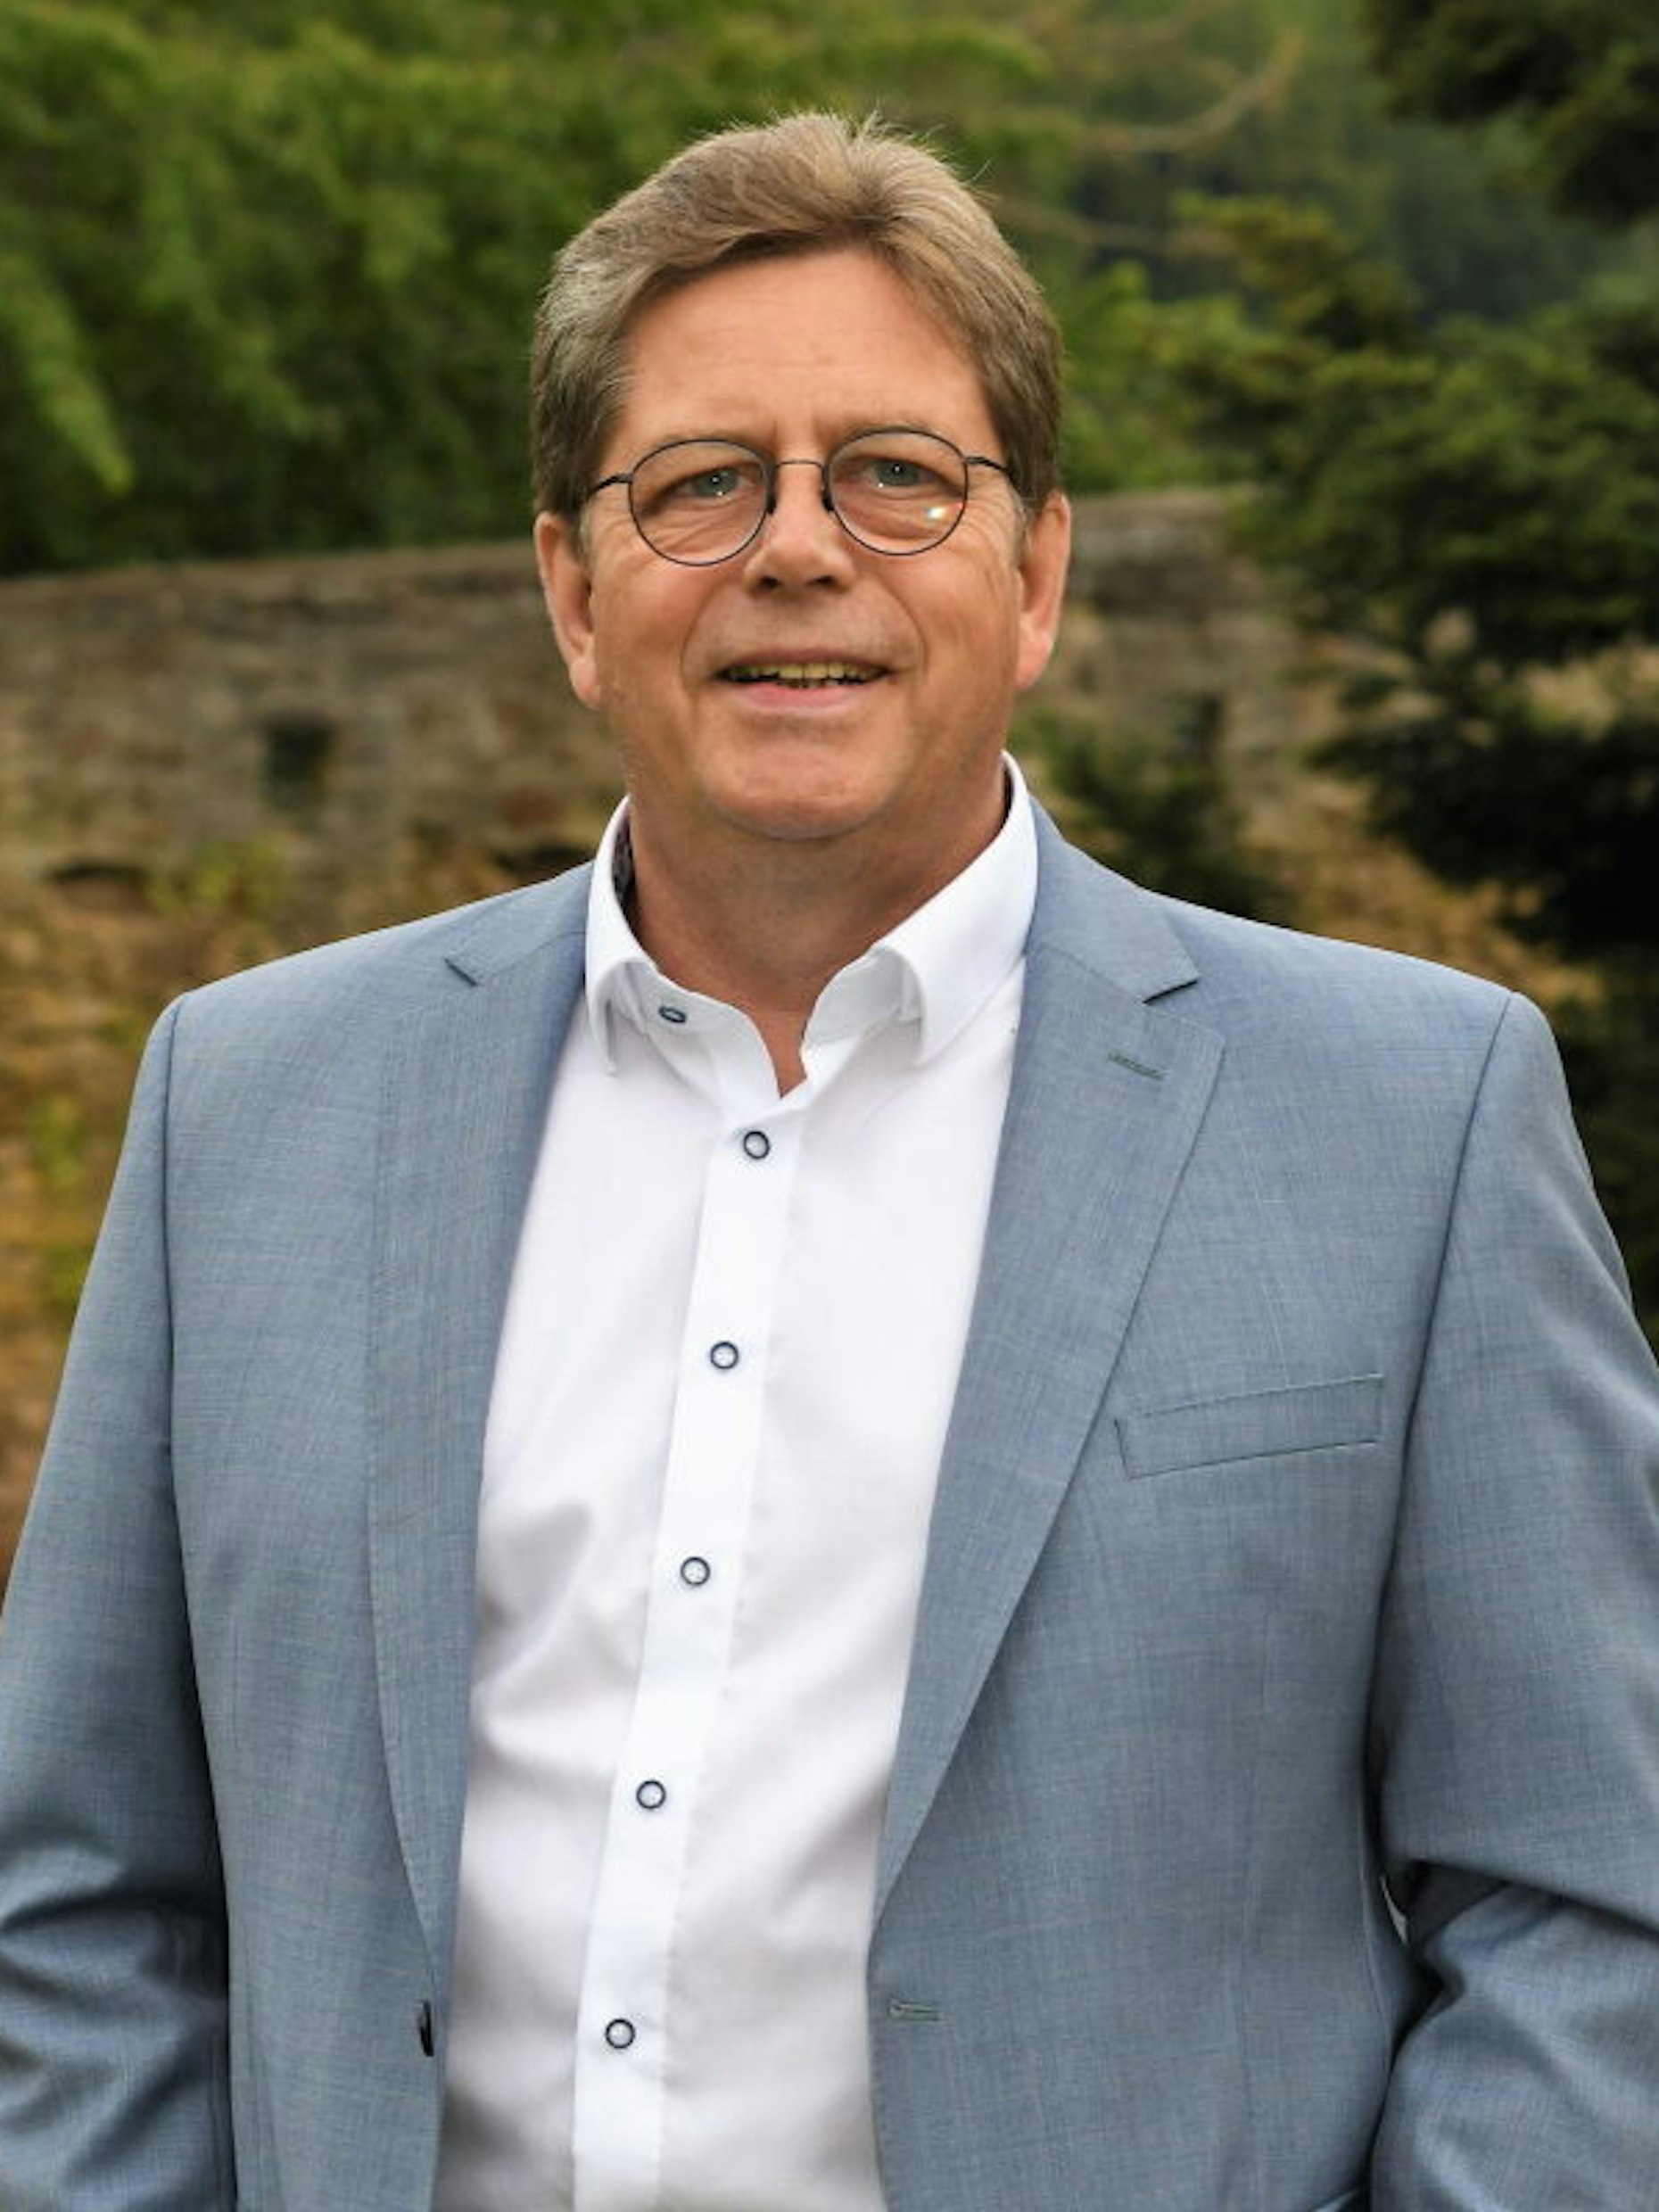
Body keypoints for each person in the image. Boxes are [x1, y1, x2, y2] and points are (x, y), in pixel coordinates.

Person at [2, 110, 1657, 2212]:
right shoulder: (244, 1106)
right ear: (572, 591)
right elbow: (83, 1900)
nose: (799, 547)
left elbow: (1591, 1904)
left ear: (1034, 575)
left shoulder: (1408, 1121)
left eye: (896, 474)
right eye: (703, 483)